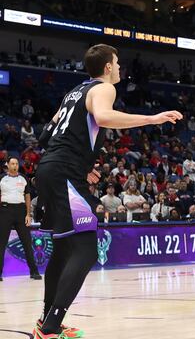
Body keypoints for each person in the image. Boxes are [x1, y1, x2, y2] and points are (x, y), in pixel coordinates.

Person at [34, 44, 182, 339]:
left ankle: (46, 321)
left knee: (63, 250)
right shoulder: (103, 88)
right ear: (107, 68)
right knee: (87, 250)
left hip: (51, 168)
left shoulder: (74, 92)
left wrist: (79, 161)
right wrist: (152, 119)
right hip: (64, 172)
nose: (119, 67)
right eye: (116, 63)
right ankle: (50, 327)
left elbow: (45, 135)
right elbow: (103, 117)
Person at [0, 157, 42, 281]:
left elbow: (28, 197)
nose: (15, 165)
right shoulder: (2, 178)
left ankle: (34, 272)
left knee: (27, 243)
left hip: (20, 212)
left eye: (17, 163)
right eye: (12, 163)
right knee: (1, 244)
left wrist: (28, 214)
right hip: (5, 211)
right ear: (7, 165)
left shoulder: (23, 178)